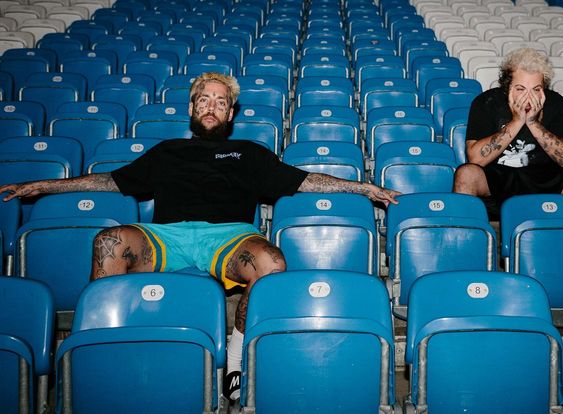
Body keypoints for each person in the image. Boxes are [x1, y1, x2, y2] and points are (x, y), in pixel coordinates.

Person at [0, 72, 400, 405]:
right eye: (204, 100)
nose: (211, 106)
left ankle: (239, 360)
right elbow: (109, 180)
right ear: (192, 108)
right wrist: (46, 185)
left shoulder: (249, 153)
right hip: (165, 236)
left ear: (231, 113)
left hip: (228, 237)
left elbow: (304, 180)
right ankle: (103, 349)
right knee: (109, 240)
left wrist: (364, 189)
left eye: (220, 101)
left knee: (271, 262)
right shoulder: (167, 151)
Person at [453, 48, 563, 219]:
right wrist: (517, 121)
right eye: (521, 89)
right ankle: (464, 239)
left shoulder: (557, 103)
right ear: (507, 86)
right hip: (499, 177)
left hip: (545, 176)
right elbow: (476, 158)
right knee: (466, 174)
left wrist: (532, 122)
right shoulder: (486, 102)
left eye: (536, 89)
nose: (529, 97)